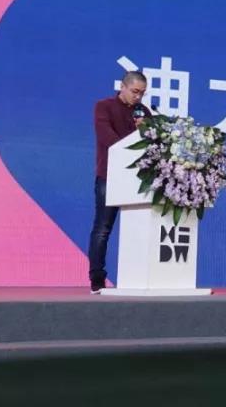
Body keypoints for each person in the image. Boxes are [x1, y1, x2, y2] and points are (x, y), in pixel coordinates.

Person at [89, 70, 150, 293]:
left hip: (138, 179)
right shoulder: (104, 107)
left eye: (142, 93)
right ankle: (97, 279)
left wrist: (145, 130)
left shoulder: (143, 112)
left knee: (140, 229)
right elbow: (108, 139)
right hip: (110, 176)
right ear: (122, 87)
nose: (138, 97)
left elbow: (154, 144)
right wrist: (134, 139)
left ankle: (138, 278)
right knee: (103, 228)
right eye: (135, 91)